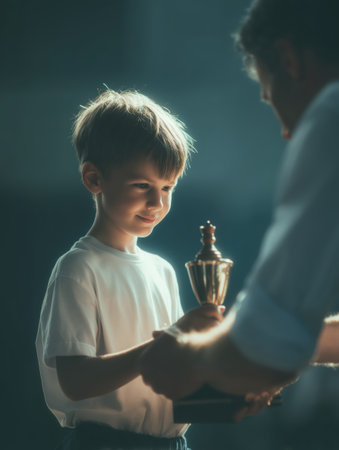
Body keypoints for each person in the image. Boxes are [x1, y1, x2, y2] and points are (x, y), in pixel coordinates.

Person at [139, 0, 339, 405]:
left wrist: (188, 358)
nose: (286, 133)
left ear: (289, 59)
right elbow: (278, 339)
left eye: (271, 97)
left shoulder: (330, 119)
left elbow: (266, 346)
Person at [35, 89, 204, 450]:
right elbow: (76, 381)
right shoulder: (78, 268)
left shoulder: (164, 271)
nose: (157, 202)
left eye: (167, 187)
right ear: (94, 179)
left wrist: (232, 386)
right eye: (142, 185)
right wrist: (162, 347)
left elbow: (173, 377)